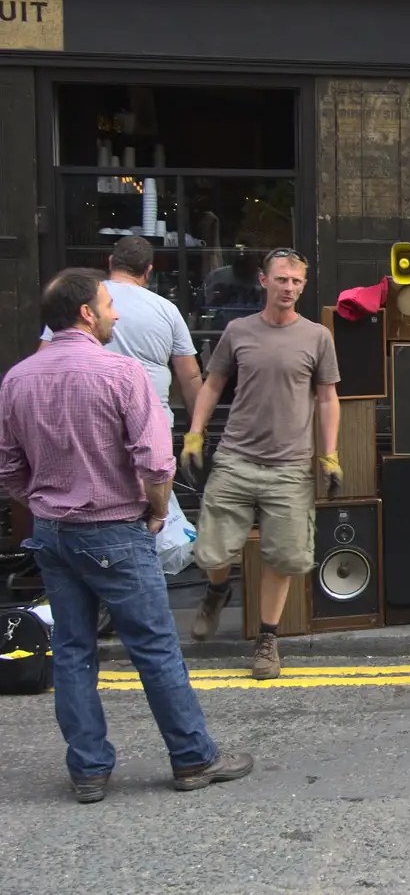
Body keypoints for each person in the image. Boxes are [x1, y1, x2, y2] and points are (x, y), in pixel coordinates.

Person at [0, 268, 253, 802]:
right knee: (155, 647)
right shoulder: (121, 373)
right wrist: (157, 513)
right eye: (109, 304)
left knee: (71, 649)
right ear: (87, 313)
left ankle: (88, 770)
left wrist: (44, 504)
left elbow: (8, 471)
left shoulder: (17, 379)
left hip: (53, 532)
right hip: (114, 527)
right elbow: (156, 465)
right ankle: (192, 758)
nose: (115, 313)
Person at [182, 248, 342, 680]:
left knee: (284, 557)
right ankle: (217, 590)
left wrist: (329, 455)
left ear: (303, 286)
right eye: (281, 279)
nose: (288, 287)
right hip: (235, 458)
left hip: (289, 467)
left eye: (296, 281)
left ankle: (267, 641)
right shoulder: (238, 331)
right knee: (212, 551)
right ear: (264, 281)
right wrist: (195, 433)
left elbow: (328, 400)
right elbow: (212, 385)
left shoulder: (316, 337)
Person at [38, 236, 203, 426]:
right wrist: (197, 429)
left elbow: (44, 359)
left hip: (89, 422)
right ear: (148, 270)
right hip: (151, 421)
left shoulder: (78, 301)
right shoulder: (167, 310)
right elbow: (190, 375)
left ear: (110, 262)